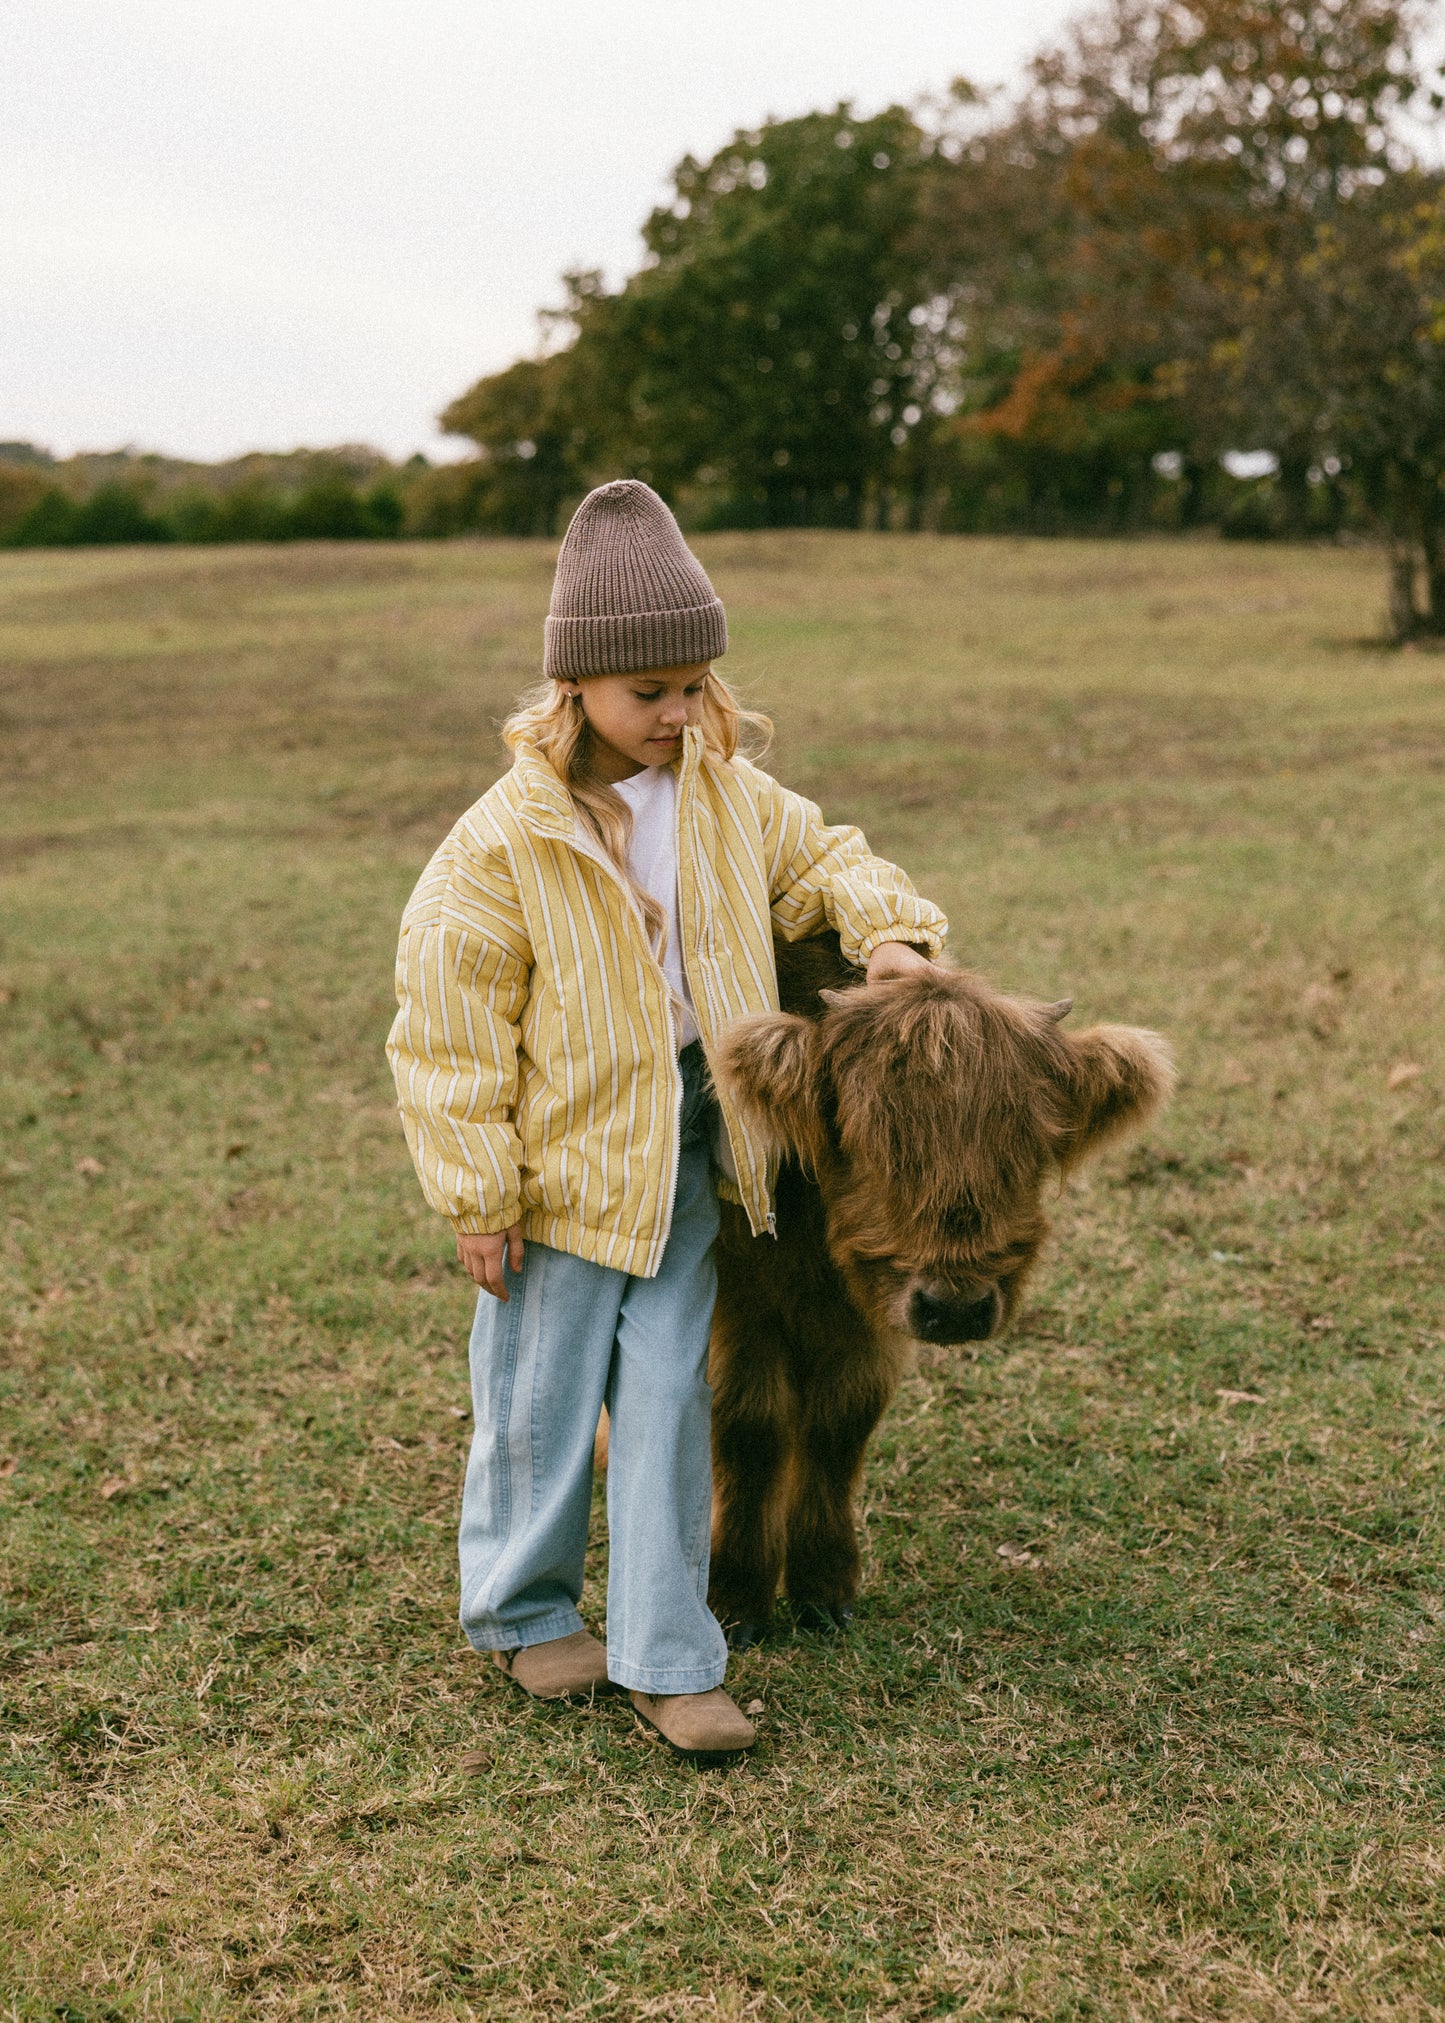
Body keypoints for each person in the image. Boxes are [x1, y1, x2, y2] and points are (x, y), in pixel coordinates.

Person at [386, 480, 947, 1764]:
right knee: (536, 1401)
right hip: (561, 1171)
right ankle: (523, 1612)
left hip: (701, 1150)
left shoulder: (725, 793)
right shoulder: (497, 849)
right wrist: (479, 1193)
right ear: (575, 683)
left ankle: (666, 1652)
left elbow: (831, 856)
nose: (679, 715)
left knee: (664, 1399)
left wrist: (890, 931)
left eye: (695, 686)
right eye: (650, 693)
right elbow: (448, 1031)